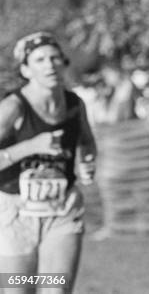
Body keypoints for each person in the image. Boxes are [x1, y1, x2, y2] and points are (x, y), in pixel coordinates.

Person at [0, 32, 96, 293]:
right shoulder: (13, 107)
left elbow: (86, 142)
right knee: (20, 289)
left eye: (55, 58)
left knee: (56, 288)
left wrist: (87, 162)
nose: (49, 65)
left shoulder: (75, 104)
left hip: (62, 209)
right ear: (25, 69)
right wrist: (32, 146)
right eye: (40, 59)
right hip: (16, 213)